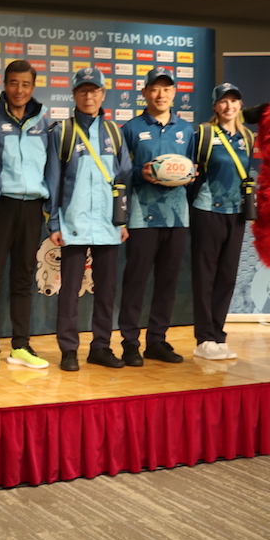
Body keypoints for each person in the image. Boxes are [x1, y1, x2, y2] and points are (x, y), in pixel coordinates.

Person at [44, 67, 131, 371]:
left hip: (108, 225)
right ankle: (69, 350)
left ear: (103, 94)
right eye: (83, 90)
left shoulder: (114, 133)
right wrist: (54, 224)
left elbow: (123, 180)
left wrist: (122, 221)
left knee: (106, 291)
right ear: (74, 94)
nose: (89, 96)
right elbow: (53, 180)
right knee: (69, 292)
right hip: (73, 225)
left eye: (94, 91)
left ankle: (101, 347)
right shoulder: (62, 132)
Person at [0, 60, 51, 370]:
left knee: (22, 280)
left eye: (26, 84)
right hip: (0, 207)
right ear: (4, 85)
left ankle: (20, 346)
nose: (19, 90)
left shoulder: (44, 122)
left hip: (32, 207)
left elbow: (51, 168)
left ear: (33, 87)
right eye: (14, 83)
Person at [117, 67, 196, 365]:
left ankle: (157, 341)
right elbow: (121, 172)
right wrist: (142, 173)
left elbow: (192, 169)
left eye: (166, 88)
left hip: (177, 217)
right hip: (141, 216)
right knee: (135, 281)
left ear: (174, 93)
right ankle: (129, 342)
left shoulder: (186, 129)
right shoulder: (131, 128)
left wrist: (191, 175)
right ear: (144, 92)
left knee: (167, 282)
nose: (161, 94)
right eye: (154, 88)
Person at [189, 83, 255, 360]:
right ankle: (204, 338)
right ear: (215, 106)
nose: (229, 106)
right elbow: (190, 172)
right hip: (207, 210)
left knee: (227, 277)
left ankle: (218, 335)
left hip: (235, 213)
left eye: (234, 101)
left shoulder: (247, 136)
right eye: (223, 101)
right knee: (205, 276)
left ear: (240, 105)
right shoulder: (204, 134)